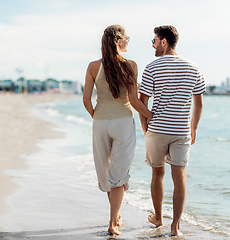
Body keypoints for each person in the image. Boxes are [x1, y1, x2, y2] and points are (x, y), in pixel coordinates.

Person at [83, 25, 152, 235]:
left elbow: (86, 100)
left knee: (106, 171)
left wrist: (98, 117)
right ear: (119, 41)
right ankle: (113, 223)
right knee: (119, 172)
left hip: (100, 122)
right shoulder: (130, 65)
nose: (129, 42)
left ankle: (115, 215)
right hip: (123, 122)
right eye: (127, 38)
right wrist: (151, 116)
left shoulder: (93, 66)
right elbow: (133, 100)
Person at [138, 25, 205, 236]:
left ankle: (158, 218)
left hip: (157, 129)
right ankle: (175, 226)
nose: (153, 45)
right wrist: (193, 128)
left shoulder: (152, 67)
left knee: (157, 172)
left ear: (164, 42)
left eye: (154, 41)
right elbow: (199, 104)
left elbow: (143, 101)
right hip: (181, 130)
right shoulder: (194, 67)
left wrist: (145, 127)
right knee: (180, 176)